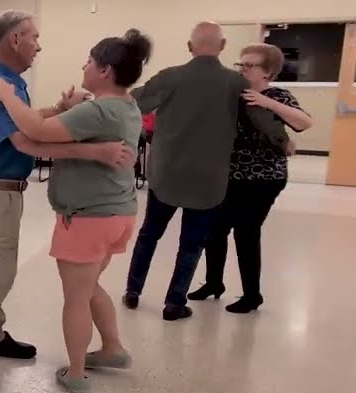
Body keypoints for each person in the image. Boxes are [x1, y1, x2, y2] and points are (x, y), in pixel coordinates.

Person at [0, 11, 134, 393]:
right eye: (34, 37)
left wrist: (59, 111)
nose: (39, 45)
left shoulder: (12, 84)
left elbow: (30, 121)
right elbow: (27, 141)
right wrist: (94, 151)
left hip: (6, 187)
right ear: (15, 40)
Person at [0, 29, 152, 393]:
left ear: (105, 70)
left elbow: (37, 129)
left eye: (89, 61)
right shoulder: (126, 105)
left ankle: (75, 373)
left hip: (88, 217)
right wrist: (70, 106)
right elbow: (77, 131)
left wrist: (9, 97)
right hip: (118, 214)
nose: (84, 66)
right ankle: (112, 349)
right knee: (90, 286)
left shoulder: (98, 110)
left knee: (76, 297)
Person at [123, 22, 289, 320]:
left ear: (190, 47)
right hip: (209, 182)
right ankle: (174, 304)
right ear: (223, 47)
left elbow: (134, 102)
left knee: (149, 235)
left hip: (166, 176)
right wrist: (284, 142)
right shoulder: (235, 83)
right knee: (191, 245)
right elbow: (264, 121)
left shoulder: (170, 77)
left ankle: (133, 292)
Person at [190, 43, 311, 314]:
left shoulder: (279, 95)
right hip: (230, 176)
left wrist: (267, 102)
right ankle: (213, 283)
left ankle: (252, 295)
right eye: (240, 64)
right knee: (214, 230)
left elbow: (304, 122)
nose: (242, 69)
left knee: (246, 232)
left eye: (250, 65)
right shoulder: (234, 95)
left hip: (264, 178)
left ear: (267, 72)